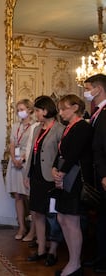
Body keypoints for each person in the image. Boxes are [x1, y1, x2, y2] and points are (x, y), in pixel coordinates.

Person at [52, 94, 93, 276]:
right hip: (64, 177)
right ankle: (72, 261)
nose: (60, 113)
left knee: (72, 221)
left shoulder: (82, 126)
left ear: (75, 107)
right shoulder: (69, 127)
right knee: (62, 218)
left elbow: (74, 154)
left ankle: (75, 264)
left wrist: (61, 173)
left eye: (63, 109)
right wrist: (54, 168)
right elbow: (60, 152)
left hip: (75, 179)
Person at [24, 95, 65, 266]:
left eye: (38, 111)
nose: (36, 114)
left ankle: (53, 251)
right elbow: (33, 154)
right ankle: (41, 249)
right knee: (37, 213)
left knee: (52, 216)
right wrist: (27, 175)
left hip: (51, 179)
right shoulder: (36, 129)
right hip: (36, 177)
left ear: (46, 111)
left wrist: (60, 176)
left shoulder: (60, 129)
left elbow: (62, 156)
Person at [82, 74, 106, 273]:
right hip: (95, 174)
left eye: (88, 88)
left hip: (103, 175)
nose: (86, 92)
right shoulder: (96, 112)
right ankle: (99, 257)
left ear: (98, 89)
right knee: (100, 219)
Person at [5, 99, 36, 241]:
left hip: (27, 161)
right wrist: (14, 158)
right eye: (18, 110)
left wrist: (22, 159)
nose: (19, 112)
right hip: (15, 161)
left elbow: (32, 146)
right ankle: (22, 226)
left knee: (30, 196)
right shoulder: (15, 125)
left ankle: (34, 229)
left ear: (30, 110)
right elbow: (12, 144)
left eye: (22, 109)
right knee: (18, 195)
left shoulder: (35, 126)